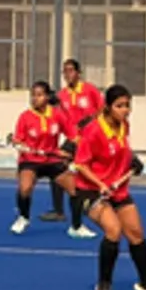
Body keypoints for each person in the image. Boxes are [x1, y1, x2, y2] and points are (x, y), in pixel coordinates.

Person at [72, 84, 146, 290]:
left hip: (118, 190)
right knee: (113, 230)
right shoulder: (94, 131)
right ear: (107, 107)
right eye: (120, 106)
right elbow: (81, 165)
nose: (125, 110)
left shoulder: (124, 125)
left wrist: (132, 161)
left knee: (136, 233)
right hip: (91, 192)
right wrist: (100, 184)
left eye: (127, 105)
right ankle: (104, 283)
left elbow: (122, 150)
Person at [10, 81, 95, 240]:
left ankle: (76, 227)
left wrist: (82, 149)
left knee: (76, 190)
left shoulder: (57, 115)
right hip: (30, 160)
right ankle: (23, 217)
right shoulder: (25, 117)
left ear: (47, 97)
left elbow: (73, 136)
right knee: (25, 188)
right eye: (33, 95)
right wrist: (19, 144)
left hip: (52, 161)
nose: (35, 99)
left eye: (39, 95)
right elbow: (18, 141)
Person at [41, 59, 104, 222]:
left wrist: (91, 119)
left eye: (70, 70)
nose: (67, 74)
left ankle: (96, 205)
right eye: (65, 71)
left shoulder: (89, 90)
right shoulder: (62, 95)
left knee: (94, 173)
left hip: (90, 139)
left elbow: (103, 109)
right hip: (74, 139)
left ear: (78, 72)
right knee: (56, 166)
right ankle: (58, 210)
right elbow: (58, 116)